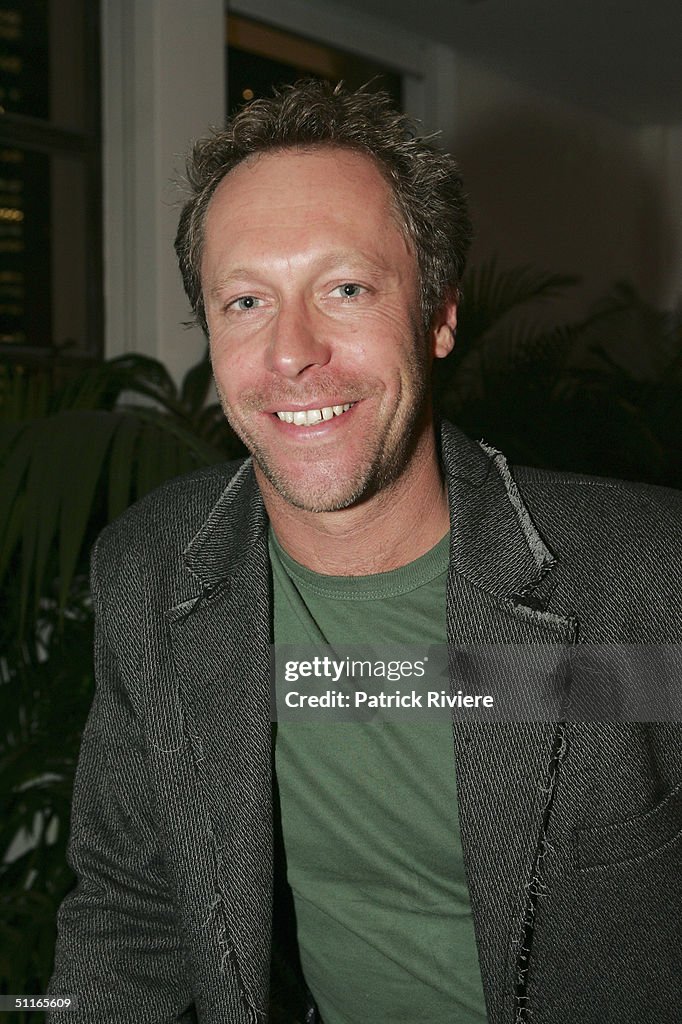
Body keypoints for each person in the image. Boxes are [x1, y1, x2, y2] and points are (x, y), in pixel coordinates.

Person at [49, 80, 681, 1023]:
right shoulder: (155, 572)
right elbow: (130, 911)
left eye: (345, 289)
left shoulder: (643, 583)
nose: (292, 353)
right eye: (246, 301)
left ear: (438, 316)